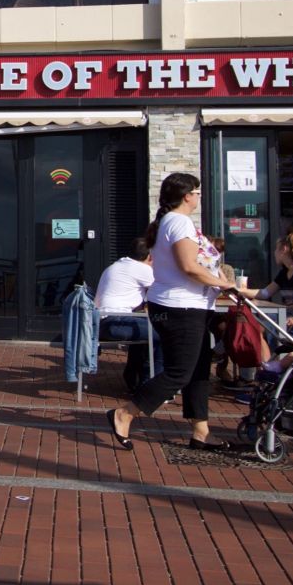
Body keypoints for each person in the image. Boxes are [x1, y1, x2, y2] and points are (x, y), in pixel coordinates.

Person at [107, 173, 235, 452]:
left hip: (190, 306)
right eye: (198, 192)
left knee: (200, 370)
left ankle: (201, 431)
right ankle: (125, 413)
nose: (200, 197)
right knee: (179, 372)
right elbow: (189, 266)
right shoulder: (179, 222)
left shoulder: (172, 222)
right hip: (181, 308)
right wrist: (222, 283)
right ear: (187, 195)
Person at [94, 237, 157, 391]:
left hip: (103, 322)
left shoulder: (115, 266)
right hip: (117, 322)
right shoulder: (142, 269)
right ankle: (150, 386)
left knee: (145, 332)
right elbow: (164, 291)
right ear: (149, 256)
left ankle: (134, 379)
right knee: (165, 331)